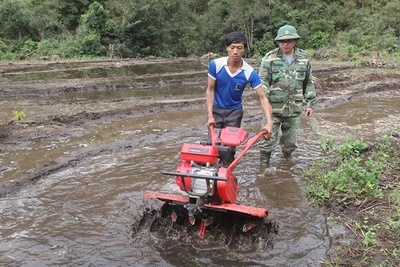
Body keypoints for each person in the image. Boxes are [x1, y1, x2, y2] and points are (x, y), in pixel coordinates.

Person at [206, 31, 273, 164]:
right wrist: (209, 115)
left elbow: (263, 98)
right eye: (232, 47)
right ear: (227, 48)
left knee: (229, 148)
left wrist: (269, 122)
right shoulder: (216, 65)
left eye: (239, 48)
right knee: (213, 145)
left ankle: (226, 173)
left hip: (234, 113)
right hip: (216, 110)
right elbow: (210, 89)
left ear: (245, 50)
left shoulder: (249, 72)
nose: (235, 51)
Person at [258, 25, 317, 161]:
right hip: (273, 109)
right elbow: (262, 82)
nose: (285, 43)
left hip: (294, 109)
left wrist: (310, 103)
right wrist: (265, 102)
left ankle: (286, 167)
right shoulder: (270, 58)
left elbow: (308, 81)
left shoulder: (304, 57)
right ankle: (264, 169)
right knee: (266, 142)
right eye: (282, 41)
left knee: (290, 144)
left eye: (289, 40)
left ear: (295, 41)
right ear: (278, 41)